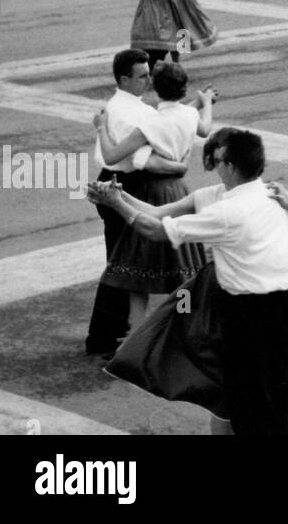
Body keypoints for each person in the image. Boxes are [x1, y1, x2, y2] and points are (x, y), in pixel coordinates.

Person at [86, 127, 288, 435]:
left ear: (230, 166)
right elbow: (158, 214)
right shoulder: (271, 194)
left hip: (248, 315)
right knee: (269, 396)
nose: (213, 162)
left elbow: (156, 231)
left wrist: (116, 205)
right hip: (285, 312)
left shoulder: (229, 211)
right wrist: (120, 197)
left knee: (253, 403)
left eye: (218, 157)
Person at [90, 61, 213, 328]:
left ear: (156, 88)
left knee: (139, 275)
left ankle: (134, 339)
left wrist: (100, 127)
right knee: (182, 269)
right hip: (179, 189)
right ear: (183, 88)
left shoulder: (150, 124)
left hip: (153, 192)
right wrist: (206, 102)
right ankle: (183, 327)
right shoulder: (189, 116)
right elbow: (204, 127)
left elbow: (112, 155)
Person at [84, 49, 189, 358]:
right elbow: (145, 160)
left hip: (119, 183)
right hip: (127, 184)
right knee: (122, 264)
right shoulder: (131, 113)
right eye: (142, 76)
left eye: (148, 74)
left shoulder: (128, 106)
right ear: (124, 78)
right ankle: (103, 339)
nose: (149, 80)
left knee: (123, 262)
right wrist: (179, 166)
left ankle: (111, 334)